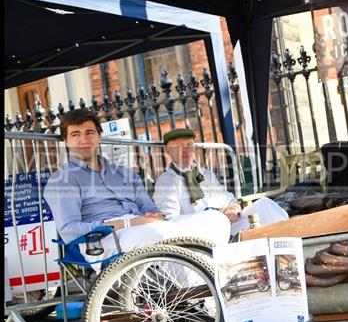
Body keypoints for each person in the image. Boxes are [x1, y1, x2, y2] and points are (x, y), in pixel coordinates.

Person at [43, 108, 231, 263]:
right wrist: (127, 222)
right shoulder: (62, 180)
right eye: (75, 134)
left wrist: (151, 216)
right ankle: (191, 287)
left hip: (143, 228)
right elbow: (69, 230)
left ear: (99, 136)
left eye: (89, 132)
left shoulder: (124, 173)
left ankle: (208, 280)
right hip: (104, 240)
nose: (84, 139)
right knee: (162, 233)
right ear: (66, 141)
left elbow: (151, 210)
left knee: (215, 220)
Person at [153, 128, 288, 237]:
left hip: (229, 226)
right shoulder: (166, 181)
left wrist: (233, 209)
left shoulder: (206, 174)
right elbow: (171, 221)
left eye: (189, 145)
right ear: (168, 151)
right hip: (204, 235)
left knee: (265, 205)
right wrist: (213, 216)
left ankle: (290, 247)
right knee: (217, 219)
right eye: (179, 147)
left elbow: (229, 199)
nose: (186, 150)